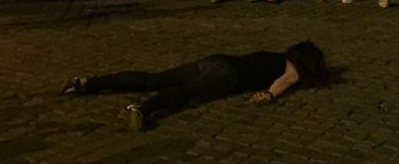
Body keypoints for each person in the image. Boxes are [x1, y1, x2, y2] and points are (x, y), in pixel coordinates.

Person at [61, 40, 327, 131]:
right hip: (228, 76)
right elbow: (285, 81)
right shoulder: (294, 68)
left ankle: (88, 83)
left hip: (217, 61)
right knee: (186, 94)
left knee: (153, 79)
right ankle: (142, 110)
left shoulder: (275, 56)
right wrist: (268, 95)